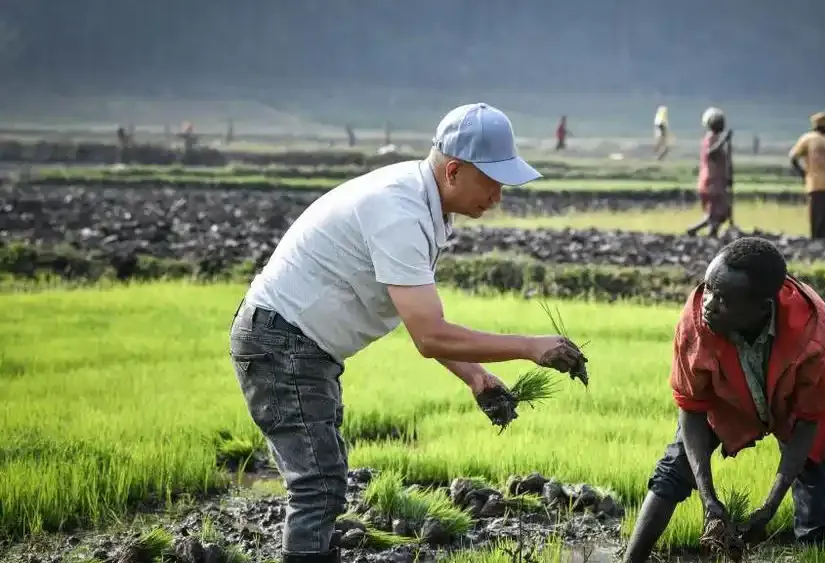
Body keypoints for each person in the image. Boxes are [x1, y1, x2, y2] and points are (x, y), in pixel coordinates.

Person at [229, 102, 590, 563]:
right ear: (455, 171)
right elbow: (429, 335)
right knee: (318, 487)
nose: (498, 195)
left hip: (299, 345)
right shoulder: (399, 211)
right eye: (493, 181)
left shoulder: (425, 204)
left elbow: (411, 314)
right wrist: (529, 348)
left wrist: (475, 376)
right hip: (282, 343)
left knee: (324, 480)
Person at [622, 237, 825, 562]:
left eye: (724, 298)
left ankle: (822, 552)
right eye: (709, 287)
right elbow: (691, 406)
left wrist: (769, 508)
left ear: (761, 307)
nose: (708, 303)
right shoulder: (695, 322)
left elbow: (810, 418)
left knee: (818, 501)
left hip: (791, 406)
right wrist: (708, 499)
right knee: (673, 469)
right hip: (726, 399)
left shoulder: (813, 330)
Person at [790, 111, 825, 240]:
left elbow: (793, 157)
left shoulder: (807, 139)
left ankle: (816, 244)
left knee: (816, 219)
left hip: (815, 184)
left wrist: (803, 174)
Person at [686, 107, 735, 237]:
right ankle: (693, 229)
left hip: (718, 181)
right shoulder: (711, 139)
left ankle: (712, 234)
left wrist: (728, 176)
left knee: (722, 213)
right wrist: (725, 140)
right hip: (711, 182)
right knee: (714, 214)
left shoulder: (716, 139)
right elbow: (711, 153)